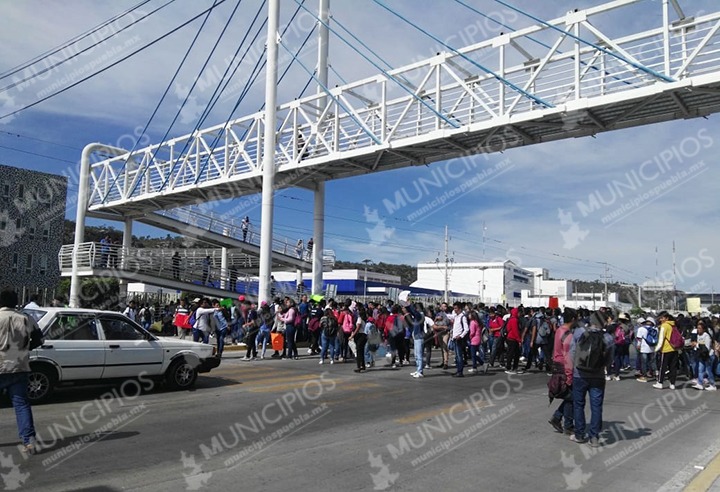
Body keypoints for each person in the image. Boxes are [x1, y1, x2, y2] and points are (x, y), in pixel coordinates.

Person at [0, 289, 43, 455]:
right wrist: (25, 349)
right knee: (21, 405)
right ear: (16, 302)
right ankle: (29, 441)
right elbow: (40, 339)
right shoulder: (26, 318)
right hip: (19, 367)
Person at [569, 311, 613, 447]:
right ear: (604, 322)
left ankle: (579, 434)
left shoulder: (579, 332)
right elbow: (610, 359)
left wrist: (575, 367)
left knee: (578, 404)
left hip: (579, 374)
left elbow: (571, 352)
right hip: (598, 376)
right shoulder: (608, 337)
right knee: (596, 406)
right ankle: (594, 437)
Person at [548, 308, 577, 436]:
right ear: (573, 319)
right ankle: (567, 424)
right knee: (571, 397)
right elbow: (568, 357)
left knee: (568, 396)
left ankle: (558, 417)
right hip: (564, 367)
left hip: (556, 365)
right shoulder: (568, 335)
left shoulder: (559, 330)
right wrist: (570, 375)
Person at [653, 311, 680, 390]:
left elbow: (661, 339)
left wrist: (656, 349)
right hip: (674, 348)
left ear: (666, 318)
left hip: (666, 349)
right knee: (673, 367)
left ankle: (660, 382)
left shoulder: (664, 326)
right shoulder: (673, 325)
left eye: (662, 318)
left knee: (662, 367)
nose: (661, 319)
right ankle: (672, 383)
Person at [447, 302, 470, 377]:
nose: (455, 310)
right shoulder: (456, 316)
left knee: (459, 356)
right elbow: (449, 316)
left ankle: (460, 372)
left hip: (459, 339)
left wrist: (461, 336)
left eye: (456, 308)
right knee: (457, 356)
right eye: (454, 308)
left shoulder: (462, 317)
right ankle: (458, 370)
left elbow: (466, 329)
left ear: (459, 309)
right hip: (454, 338)